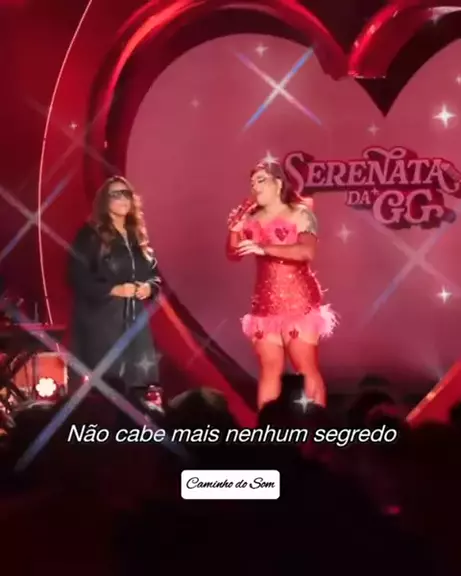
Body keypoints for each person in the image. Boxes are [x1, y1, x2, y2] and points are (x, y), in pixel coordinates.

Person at [226, 160, 337, 409]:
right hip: (264, 306)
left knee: (305, 368)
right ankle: (269, 427)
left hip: (298, 303)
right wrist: (234, 231)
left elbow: (306, 252)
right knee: (269, 370)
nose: (255, 187)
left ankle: (316, 426)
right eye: (252, 183)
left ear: (278, 183)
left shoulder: (300, 213)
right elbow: (233, 254)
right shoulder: (251, 218)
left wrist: (263, 247)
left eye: (261, 180)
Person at [68, 175, 162, 409]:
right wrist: (114, 289)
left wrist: (149, 287)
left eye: (126, 193)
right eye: (116, 194)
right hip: (103, 322)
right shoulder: (90, 235)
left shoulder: (137, 235)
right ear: (105, 201)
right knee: (108, 391)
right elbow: (77, 277)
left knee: (139, 389)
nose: (123, 199)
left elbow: (154, 275)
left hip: (135, 323)